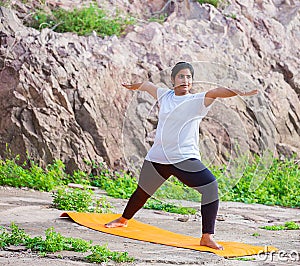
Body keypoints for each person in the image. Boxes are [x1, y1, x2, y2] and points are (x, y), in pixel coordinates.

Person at [105, 62, 258, 250]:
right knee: (142, 193)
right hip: (158, 157)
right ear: (173, 80)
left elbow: (217, 91)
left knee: (210, 187)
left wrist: (238, 91)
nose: (185, 80)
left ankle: (206, 236)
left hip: (184, 159)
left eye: (188, 77)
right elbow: (147, 86)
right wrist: (132, 86)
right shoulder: (164, 96)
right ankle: (123, 219)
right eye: (181, 76)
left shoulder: (197, 100)